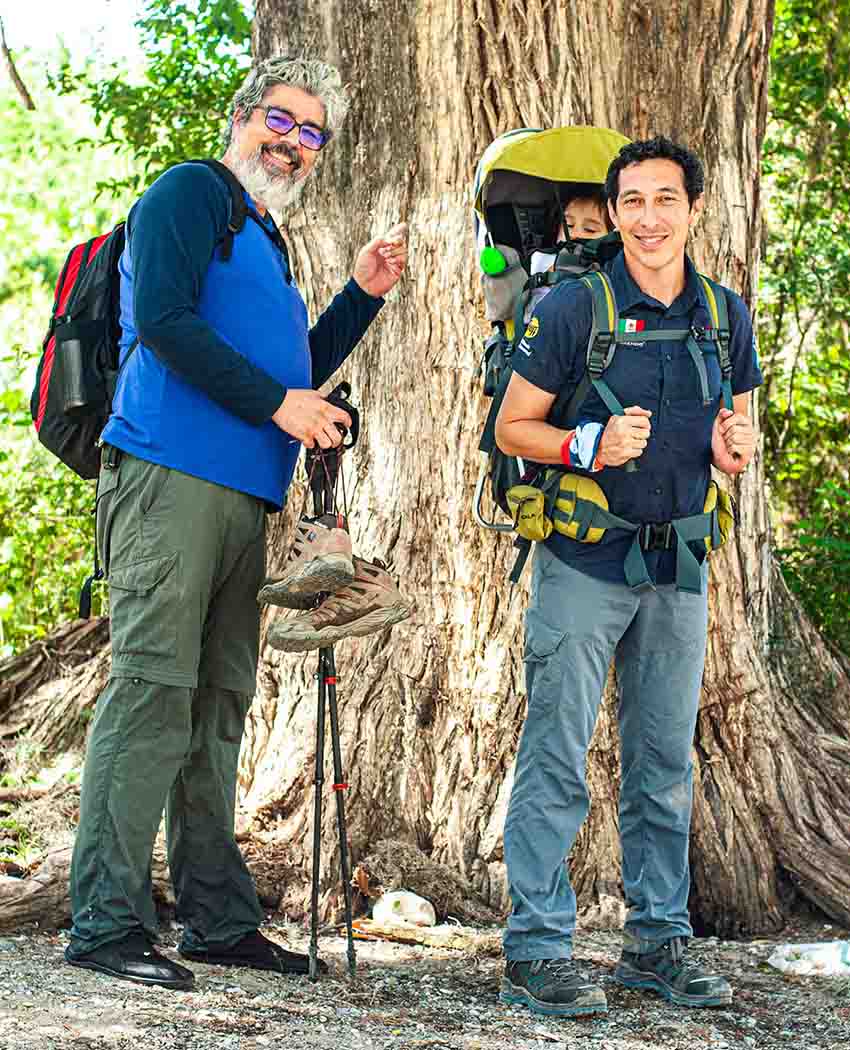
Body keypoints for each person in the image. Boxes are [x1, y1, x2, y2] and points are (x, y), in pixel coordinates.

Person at [65, 55, 408, 991]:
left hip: (244, 498)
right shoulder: (190, 193)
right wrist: (280, 407)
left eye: (311, 135)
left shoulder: (267, 240)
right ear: (243, 115)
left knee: (219, 705)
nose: (292, 145)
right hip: (166, 477)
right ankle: (104, 924)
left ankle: (216, 919)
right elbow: (166, 324)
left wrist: (361, 296)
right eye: (280, 121)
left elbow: (295, 369)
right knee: (150, 690)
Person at [495, 136, 761, 1018]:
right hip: (585, 563)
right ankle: (536, 949)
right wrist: (588, 445)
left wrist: (735, 451)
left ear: (692, 208)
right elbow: (512, 429)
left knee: (662, 764)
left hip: (680, 566)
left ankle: (656, 944)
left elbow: (737, 434)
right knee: (557, 756)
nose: (650, 217)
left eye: (666, 199)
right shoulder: (575, 309)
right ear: (614, 214)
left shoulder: (726, 314)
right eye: (633, 202)